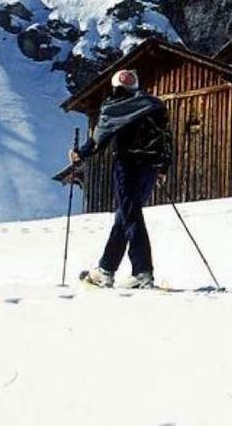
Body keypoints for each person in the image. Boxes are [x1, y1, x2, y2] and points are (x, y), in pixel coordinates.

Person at [70, 69, 172, 290]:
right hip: (151, 167)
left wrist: (80, 155)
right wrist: (164, 166)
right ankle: (106, 270)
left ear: (115, 86)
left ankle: (142, 272)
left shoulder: (113, 107)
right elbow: (166, 137)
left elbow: (99, 140)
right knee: (125, 216)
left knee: (130, 214)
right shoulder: (155, 105)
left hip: (127, 165)